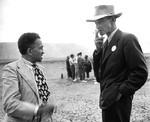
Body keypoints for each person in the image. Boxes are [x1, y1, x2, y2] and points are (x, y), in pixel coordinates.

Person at [86, 5, 148, 122]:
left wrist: (120, 91)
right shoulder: (105, 45)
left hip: (120, 102)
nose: (97, 27)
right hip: (107, 101)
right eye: (95, 23)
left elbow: (140, 73)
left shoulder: (127, 39)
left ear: (113, 19)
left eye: (100, 22)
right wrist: (98, 50)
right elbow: (99, 77)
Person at [2, 32, 56, 122]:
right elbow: (9, 104)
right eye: (40, 48)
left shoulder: (39, 70)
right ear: (30, 51)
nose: (43, 52)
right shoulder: (11, 69)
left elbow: (42, 98)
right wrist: (38, 110)